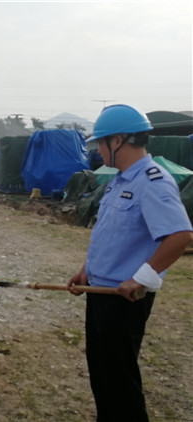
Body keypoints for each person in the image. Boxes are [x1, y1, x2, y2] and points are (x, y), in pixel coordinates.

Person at [66, 104, 193, 421]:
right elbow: (111, 235)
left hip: (124, 298)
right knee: (102, 375)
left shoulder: (152, 181)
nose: (97, 150)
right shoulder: (119, 181)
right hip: (99, 292)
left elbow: (180, 234)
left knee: (119, 381)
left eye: (100, 142)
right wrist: (86, 271)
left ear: (118, 140)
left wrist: (142, 278)